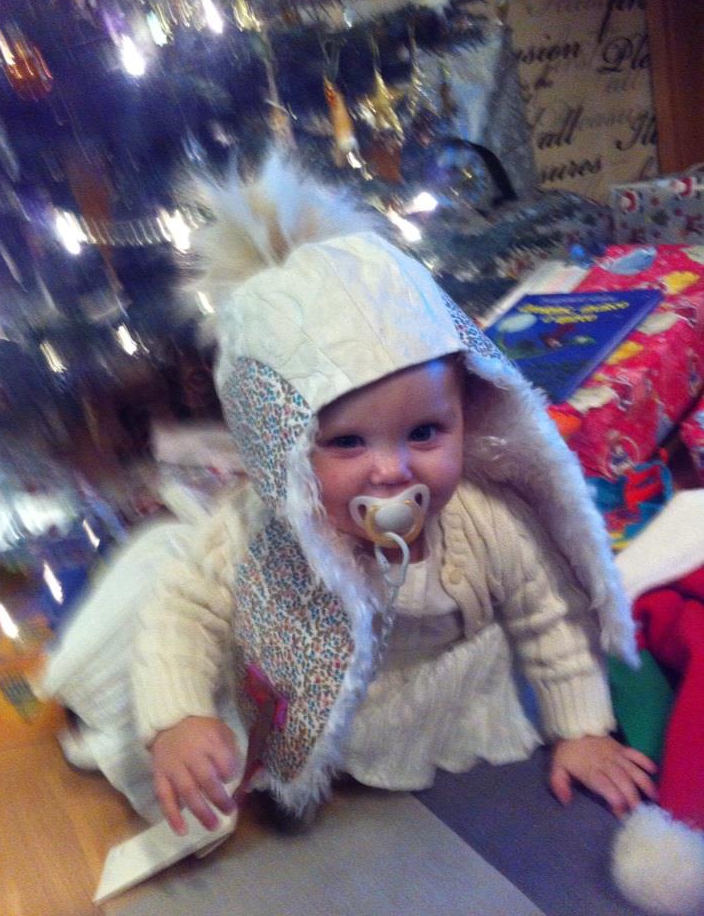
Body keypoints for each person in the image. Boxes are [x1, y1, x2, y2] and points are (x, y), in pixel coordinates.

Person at [41, 152, 656, 842]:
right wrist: (179, 717)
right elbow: (184, 611)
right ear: (281, 452)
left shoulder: (485, 520)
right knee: (180, 658)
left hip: (432, 686)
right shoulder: (254, 535)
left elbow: (551, 614)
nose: (392, 470)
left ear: (471, 412)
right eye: (347, 443)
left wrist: (581, 728)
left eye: (424, 432)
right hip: (293, 679)